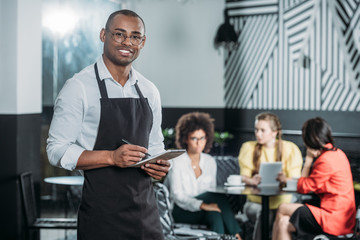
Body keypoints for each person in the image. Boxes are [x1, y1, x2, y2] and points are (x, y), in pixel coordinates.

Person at [46, 9, 170, 240]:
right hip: (102, 215)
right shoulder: (78, 87)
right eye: (119, 34)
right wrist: (112, 158)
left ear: (143, 42)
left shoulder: (149, 90)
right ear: (103, 35)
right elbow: (56, 150)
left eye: (135, 36)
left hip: (146, 214)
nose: (127, 42)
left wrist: (158, 164)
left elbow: (155, 144)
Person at [272, 117, 356, 240]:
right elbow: (311, 182)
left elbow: (304, 187)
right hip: (341, 216)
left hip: (333, 218)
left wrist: (308, 159)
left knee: (282, 208)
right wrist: (287, 180)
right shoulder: (337, 153)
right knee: (283, 222)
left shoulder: (325, 160)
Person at [166, 112, 243, 240]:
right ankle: (237, 236)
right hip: (180, 211)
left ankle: (229, 237)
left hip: (203, 208)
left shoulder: (209, 161)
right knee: (216, 196)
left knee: (215, 214)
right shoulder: (177, 161)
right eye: (194, 138)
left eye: (202, 138)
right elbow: (177, 196)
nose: (199, 143)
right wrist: (202, 205)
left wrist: (206, 206)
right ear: (185, 139)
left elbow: (210, 190)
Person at [238, 112, 303, 240]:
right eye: (256, 130)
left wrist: (285, 179)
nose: (258, 134)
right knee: (265, 213)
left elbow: (297, 180)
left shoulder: (290, 149)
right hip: (254, 203)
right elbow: (243, 177)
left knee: (279, 216)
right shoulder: (248, 148)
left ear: (274, 132)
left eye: (262, 130)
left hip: (282, 202)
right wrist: (251, 180)